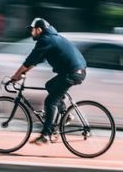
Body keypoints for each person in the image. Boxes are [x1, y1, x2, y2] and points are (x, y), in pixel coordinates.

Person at [9, 18, 87, 146]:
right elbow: (35, 61)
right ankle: (65, 114)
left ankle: (45, 135)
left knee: (50, 101)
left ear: (39, 29)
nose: (31, 33)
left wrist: (16, 75)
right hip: (74, 71)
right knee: (49, 85)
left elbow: (30, 59)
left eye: (32, 30)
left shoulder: (46, 40)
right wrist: (22, 73)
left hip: (73, 73)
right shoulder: (50, 38)